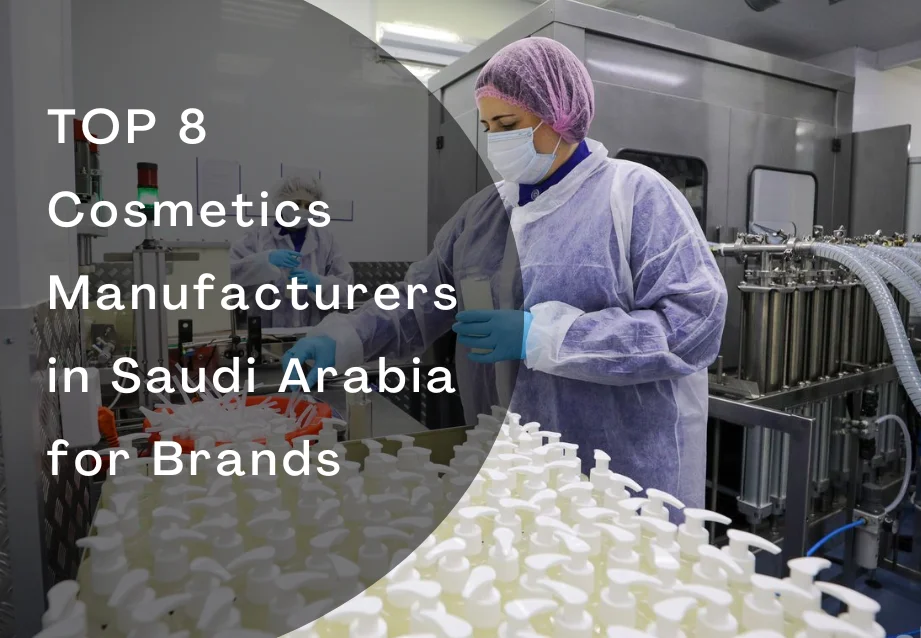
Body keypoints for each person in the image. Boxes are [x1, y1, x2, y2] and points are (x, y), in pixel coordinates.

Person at [283, 37, 727, 509]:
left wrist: (546, 336)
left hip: (623, 484)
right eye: (489, 126)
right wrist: (345, 337)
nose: (496, 139)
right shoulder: (483, 213)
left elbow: (693, 326)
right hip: (512, 475)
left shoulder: (634, 196)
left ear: (560, 114)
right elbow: (418, 299)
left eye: (508, 124)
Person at [230, 176, 353, 329]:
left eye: (308, 205)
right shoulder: (257, 237)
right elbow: (230, 276)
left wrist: (320, 284)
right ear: (281, 202)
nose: (302, 210)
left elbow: (346, 290)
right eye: (296, 203)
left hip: (311, 333)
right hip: (264, 332)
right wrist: (263, 261)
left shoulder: (325, 241)